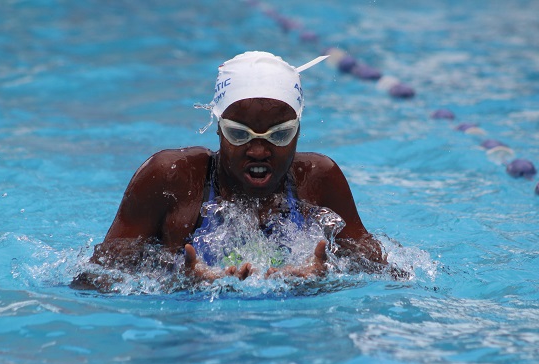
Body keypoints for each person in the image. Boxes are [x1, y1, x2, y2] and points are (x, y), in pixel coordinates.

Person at [73, 51, 388, 289]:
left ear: (298, 131)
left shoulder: (318, 180)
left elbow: (390, 275)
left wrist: (324, 281)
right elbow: (90, 281)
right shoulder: (171, 179)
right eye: (240, 134)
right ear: (218, 128)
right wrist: (176, 284)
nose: (259, 151)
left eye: (279, 135)